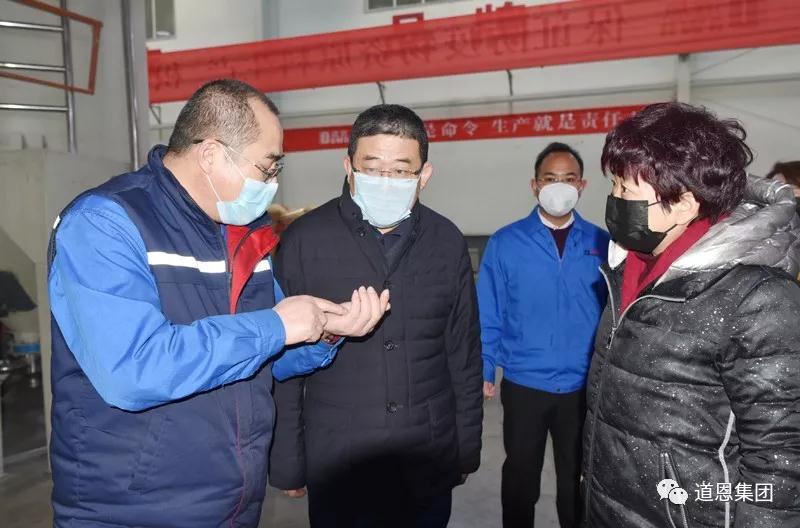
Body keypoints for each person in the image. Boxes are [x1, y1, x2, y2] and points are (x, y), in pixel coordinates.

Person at [47, 79, 389, 528]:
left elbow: (264, 357)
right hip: (132, 509)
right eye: (267, 167)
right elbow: (133, 369)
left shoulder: (241, 230)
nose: (272, 184)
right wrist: (276, 326)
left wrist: (323, 330)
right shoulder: (105, 224)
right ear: (210, 154)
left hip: (232, 502)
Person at [582, 102, 800, 528]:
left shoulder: (756, 298)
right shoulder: (627, 270)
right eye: (614, 186)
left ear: (684, 203)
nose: (614, 200)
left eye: (626, 190)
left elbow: (781, 460)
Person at [269, 104, 483, 528]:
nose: (386, 180)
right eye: (372, 168)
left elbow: (463, 353)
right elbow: (283, 359)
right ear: (349, 167)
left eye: (401, 170)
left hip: (426, 451)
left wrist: (465, 449)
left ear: (424, 175)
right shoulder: (304, 241)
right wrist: (288, 461)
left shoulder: (446, 241)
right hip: (339, 460)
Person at [477, 142, 610, 528]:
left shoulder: (602, 243)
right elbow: (488, 310)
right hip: (524, 383)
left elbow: (614, 314)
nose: (559, 187)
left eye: (568, 179)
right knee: (521, 478)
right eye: (550, 179)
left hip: (583, 385)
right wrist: (485, 366)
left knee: (578, 480)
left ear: (582, 185)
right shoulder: (506, 242)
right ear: (535, 185)